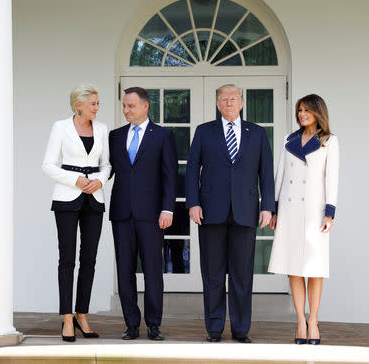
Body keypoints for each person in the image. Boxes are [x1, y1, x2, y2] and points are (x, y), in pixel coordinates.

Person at [186, 84, 275, 343]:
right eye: (223, 99)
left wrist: (267, 206)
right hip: (210, 211)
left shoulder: (257, 134)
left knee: (242, 274)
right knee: (212, 274)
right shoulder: (204, 132)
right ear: (217, 103)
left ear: (242, 102)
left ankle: (240, 329)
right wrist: (193, 203)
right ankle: (214, 328)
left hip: (246, 211)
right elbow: (192, 170)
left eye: (233, 99)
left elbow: (266, 172)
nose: (228, 103)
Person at [268, 94, 339, 345]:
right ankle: (300, 321)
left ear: (319, 112)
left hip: (314, 212)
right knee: (294, 268)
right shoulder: (289, 139)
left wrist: (329, 212)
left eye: (307, 110)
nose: (302, 114)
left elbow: (332, 178)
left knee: (315, 268)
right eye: (299, 110)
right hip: (289, 210)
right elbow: (280, 174)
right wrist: (274, 209)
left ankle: (314, 321)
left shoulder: (329, 141)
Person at [42, 83, 111, 342]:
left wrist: (100, 181)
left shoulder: (102, 129)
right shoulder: (61, 127)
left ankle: (82, 314)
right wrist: (76, 180)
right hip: (67, 198)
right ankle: (67, 318)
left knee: (89, 259)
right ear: (78, 105)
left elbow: (106, 164)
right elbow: (47, 165)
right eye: (93, 103)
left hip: (94, 197)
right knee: (67, 259)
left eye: (98, 103)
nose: (97, 107)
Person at [109, 87, 178, 341]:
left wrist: (168, 208)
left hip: (152, 214)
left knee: (152, 270)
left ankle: (154, 324)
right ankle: (131, 324)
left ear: (145, 106)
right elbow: (108, 169)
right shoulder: (114, 136)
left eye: (131, 106)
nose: (126, 110)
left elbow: (170, 175)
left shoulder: (162, 135)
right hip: (122, 213)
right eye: (124, 106)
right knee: (124, 270)